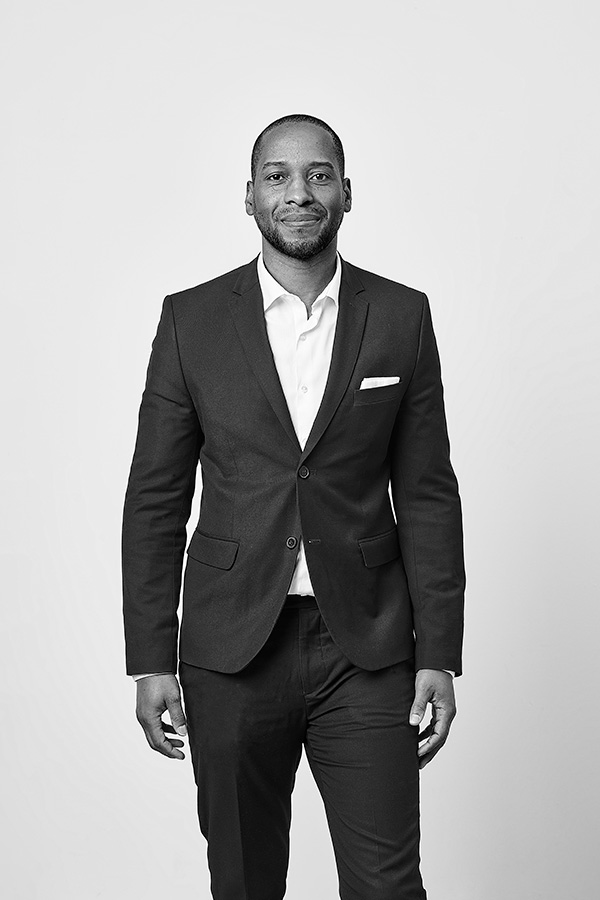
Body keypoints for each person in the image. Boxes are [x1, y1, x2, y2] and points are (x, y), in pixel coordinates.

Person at [122, 113, 465, 900]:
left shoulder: (402, 316)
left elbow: (428, 494)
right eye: (277, 176)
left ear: (346, 191)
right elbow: (155, 499)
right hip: (231, 649)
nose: (298, 193)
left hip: (369, 648)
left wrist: (438, 652)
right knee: (244, 883)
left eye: (317, 175)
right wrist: (150, 655)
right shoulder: (192, 320)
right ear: (249, 197)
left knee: (387, 885)